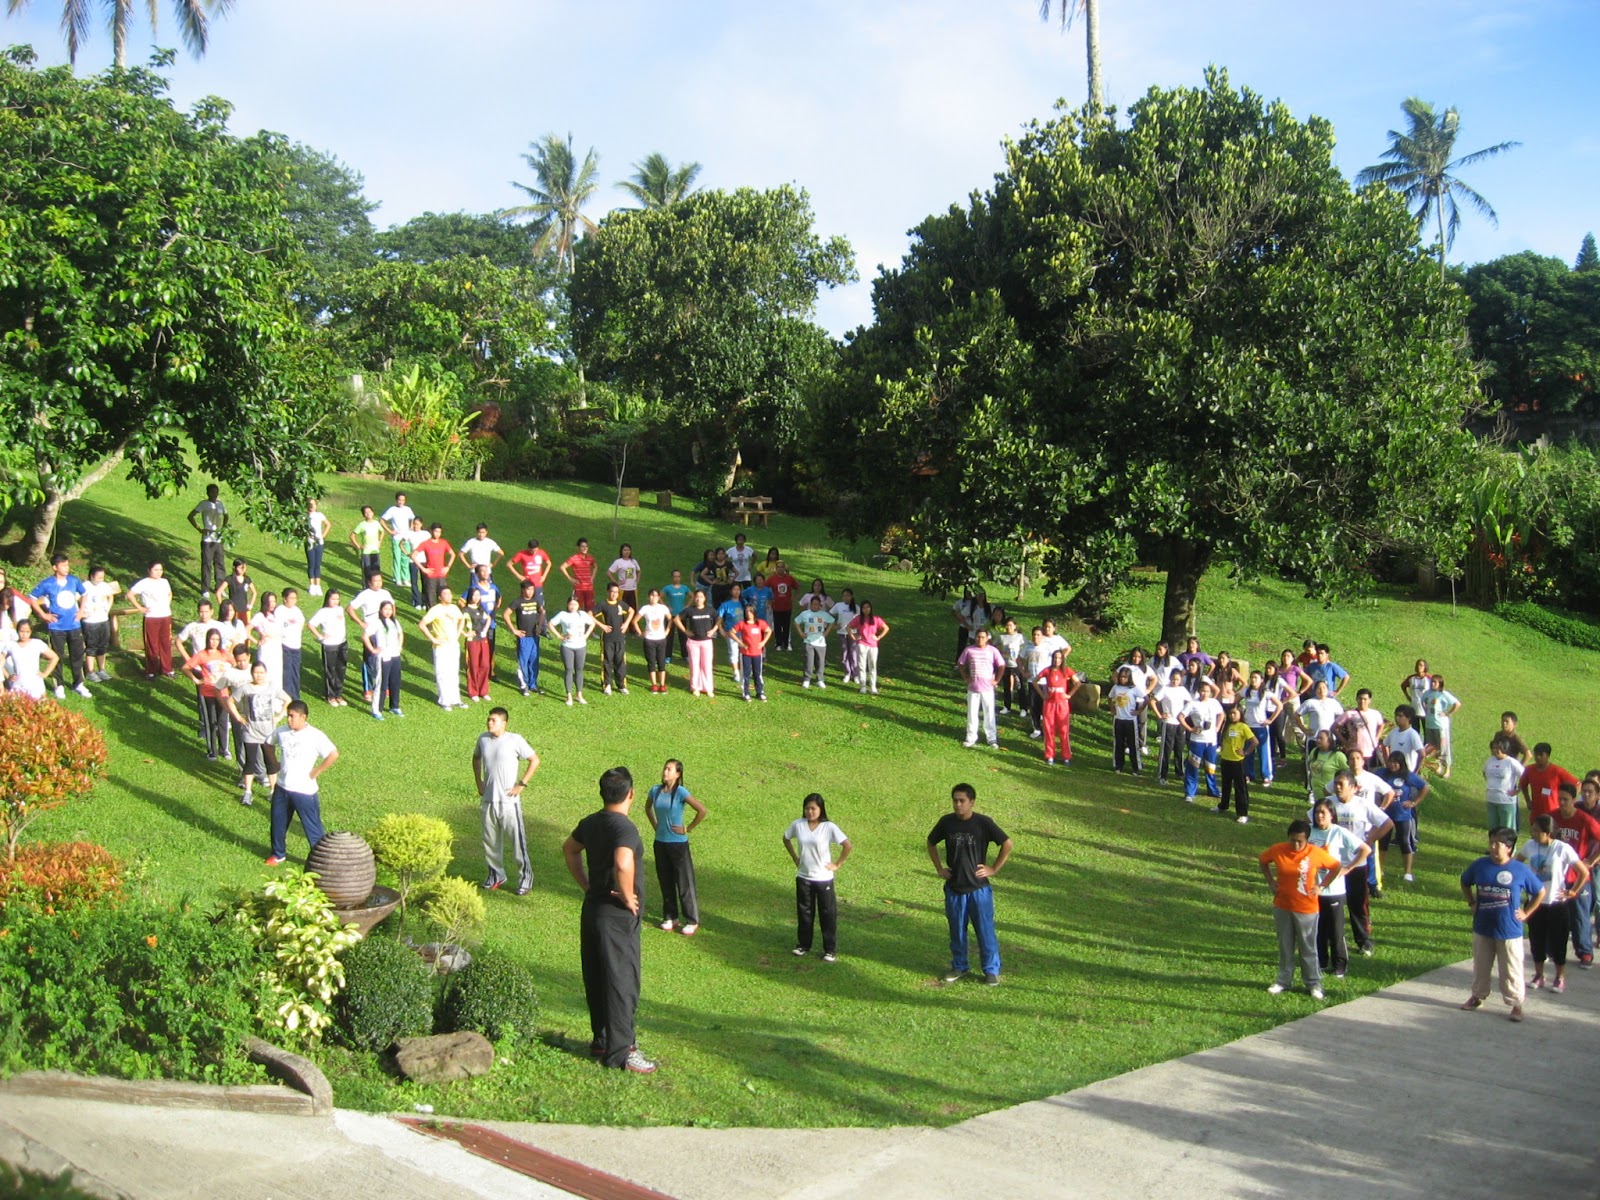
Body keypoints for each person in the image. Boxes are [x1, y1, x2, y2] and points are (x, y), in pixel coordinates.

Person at [562, 766, 655, 1074]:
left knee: (598, 975)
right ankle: (622, 1051)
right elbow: (622, 861)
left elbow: (569, 849)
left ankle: (602, 1040)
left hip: (593, 910)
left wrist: (587, 886)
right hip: (617, 917)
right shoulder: (624, 828)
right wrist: (628, 896)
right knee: (622, 982)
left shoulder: (590, 823)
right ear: (631, 794)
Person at [1459, 827, 1546, 1022]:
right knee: (1481, 965)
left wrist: (1527, 912)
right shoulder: (1480, 865)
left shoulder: (1520, 870)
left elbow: (1539, 892)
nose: (1492, 847)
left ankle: (1516, 1004)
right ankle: (1477, 996)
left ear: (1509, 847)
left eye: (1497, 843)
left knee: (1511, 969)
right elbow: (1465, 882)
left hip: (1509, 929)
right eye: (1491, 842)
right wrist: (1471, 902)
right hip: (1483, 926)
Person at [928, 783, 1012, 985]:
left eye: (962, 801)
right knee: (957, 930)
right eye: (955, 800)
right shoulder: (946, 822)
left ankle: (991, 970)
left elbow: (1007, 844)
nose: (958, 805)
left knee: (985, 930)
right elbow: (931, 842)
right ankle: (959, 966)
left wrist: (993, 869)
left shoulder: (983, 823)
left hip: (979, 889)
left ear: (971, 802)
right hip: (955, 888)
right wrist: (939, 868)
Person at [1258, 819, 1342, 999]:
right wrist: (1271, 881)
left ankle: (1313, 983)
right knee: (1285, 945)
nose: (1296, 844)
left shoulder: (1315, 853)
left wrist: (1322, 886)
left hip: (1307, 908)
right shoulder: (1278, 849)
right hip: (1283, 905)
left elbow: (1335, 867)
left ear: (1307, 840)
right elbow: (1263, 860)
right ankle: (1283, 980)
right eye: (1293, 840)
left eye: (1300, 841)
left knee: (1308, 947)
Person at [1322, 766, 1393, 957]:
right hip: (1332, 864)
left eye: (1341, 784)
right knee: (1330, 903)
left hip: (1356, 864)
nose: (1337, 788)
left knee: (1358, 904)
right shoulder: (1328, 804)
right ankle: (1329, 938)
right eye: (1336, 783)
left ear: (1353, 787)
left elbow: (1387, 823)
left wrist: (1370, 839)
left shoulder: (1363, 805)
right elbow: (1309, 819)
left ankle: (1364, 941)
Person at [1517, 816, 1589, 995]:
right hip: (1535, 902)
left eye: (1536, 831)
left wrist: (1572, 891)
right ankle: (1539, 974)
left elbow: (1583, 872)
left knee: (1558, 941)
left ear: (1547, 833)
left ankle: (1559, 976)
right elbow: (1516, 864)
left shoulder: (1562, 849)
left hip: (1556, 903)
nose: (1533, 834)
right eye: (1532, 830)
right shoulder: (1529, 846)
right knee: (1536, 940)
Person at [474, 707, 539, 895]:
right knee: (490, 842)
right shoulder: (483, 739)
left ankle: (525, 878)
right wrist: (479, 781)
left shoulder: (514, 740)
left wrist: (522, 784)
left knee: (517, 843)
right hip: (488, 801)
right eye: (488, 719)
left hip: (509, 802)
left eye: (493, 720)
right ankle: (496, 875)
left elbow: (534, 760)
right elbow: (476, 758)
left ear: (504, 723)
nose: (489, 723)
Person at [265, 701, 338, 867]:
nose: (289, 720)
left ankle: (322, 861)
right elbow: (267, 743)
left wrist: (317, 771)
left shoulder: (315, 736)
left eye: (292, 716)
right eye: (288, 716)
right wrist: (273, 763)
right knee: (278, 822)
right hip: (282, 787)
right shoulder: (282, 732)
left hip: (304, 791)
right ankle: (278, 854)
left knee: (312, 829)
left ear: (303, 717)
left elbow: (333, 754)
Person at [1309, 798, 1371, 981]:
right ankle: (1320, 961)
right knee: (1317, 929)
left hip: (1334, 890)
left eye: (1323, 813)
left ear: (1331, 815)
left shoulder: (1338, 832)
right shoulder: (1309, 832)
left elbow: (1365, 849)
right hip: (1313, 890)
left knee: (1335, 931)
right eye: (1317, 812)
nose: (1319, 816)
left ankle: (1339, 965)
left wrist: (1348, 868)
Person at [785, 792, 851, 961]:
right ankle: (803, 945)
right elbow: (786, 839)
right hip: (804, 877)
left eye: (813, 808)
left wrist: (837, 864)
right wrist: (795, 857)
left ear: (821, 809)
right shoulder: (798, 825)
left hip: (823, 879)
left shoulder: (829, 827)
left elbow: (847, 845)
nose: (810, 812)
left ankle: (830, 950)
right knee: (804, 912)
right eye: (807, 808)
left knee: (827, 914)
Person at [647, 759, 705, 935]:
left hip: (678, 844)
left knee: (684, 881)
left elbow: (702, 811)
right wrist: (656, 826)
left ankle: (692, 920)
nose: (665, 772)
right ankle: (670, 916)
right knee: (665, 880)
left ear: (677, 774)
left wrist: (687, 828)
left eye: (669, 769)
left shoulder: (680, 792)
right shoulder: (655, 791)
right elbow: (647, 808)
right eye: (665, 768)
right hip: (660, 842)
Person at [222, 660, 290, 807]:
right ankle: (248, 792)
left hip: (268, 732)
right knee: (250, 762)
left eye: (261, 673)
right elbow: (230, 701)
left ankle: (273, 791)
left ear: (265, 674)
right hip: (250, 731)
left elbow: (287, 700)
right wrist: (238, 717)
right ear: (252, 673)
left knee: (270, 762)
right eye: (256, 673)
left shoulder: (272, 687)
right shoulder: (245, 688)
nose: (259, 676)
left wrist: (279, 716)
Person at [28, 553, 90, 698]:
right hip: (57, 627)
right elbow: (32, 598)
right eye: (63, 565)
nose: (67, 568)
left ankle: (78, 683)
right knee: (58, 656)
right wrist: (43, 615)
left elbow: (85, 594)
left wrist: (81, 611)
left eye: (67, 565)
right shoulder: (48, 583)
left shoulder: (74, 581)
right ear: (55, 567)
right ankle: (59, 685)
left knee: (77, 655)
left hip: (74, 625)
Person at [1377, 751, 1429, 882]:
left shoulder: (1408, 776)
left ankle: (1408, 872)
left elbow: (1424, 787)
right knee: (1383, 843)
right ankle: (1380, 869)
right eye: (1390, 761)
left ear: (1401, 763)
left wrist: (1414, 802)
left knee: (1405, 842)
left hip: (1403, 815)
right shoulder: (1382, 773)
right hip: (1385, 815)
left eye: (1395, 762)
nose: (1392, 765)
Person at [182, 629, 232, 759]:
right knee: (210, 721)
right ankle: (212, 751)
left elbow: (235, 665)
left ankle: (224, 749)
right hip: (207, 692)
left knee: (223, 720)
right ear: (207, 640)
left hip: (223, 692)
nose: (214, 642)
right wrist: (196, 680)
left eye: (217, 639)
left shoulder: (224, 654)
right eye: (212, 639)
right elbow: (186, 668)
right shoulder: (202, 654)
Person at [419, 586, 468, 709]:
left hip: (453, 645)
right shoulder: (435, 610)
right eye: (446, 594)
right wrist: (433, 639)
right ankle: (444, 700)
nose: (449, 596)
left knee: (453, 672)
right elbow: (422, 624)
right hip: (441, 646)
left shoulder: (454, 608)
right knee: (442, 673)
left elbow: (461, 619)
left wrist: (458, 633)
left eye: (450, 594)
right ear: (440, 597)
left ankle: (456, 698)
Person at [957, 628, 1006, 749]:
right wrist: (966, 678)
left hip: (988, 688)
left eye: (983, 637)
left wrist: (996, 680)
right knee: (972, 713)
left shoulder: (992, 650)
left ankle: (992, 738)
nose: (980, 639)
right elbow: (960, 664)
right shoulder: (969, 650)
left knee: (989, 713)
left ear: (987, 638)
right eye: (978, 637)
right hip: (973, 688)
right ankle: (971, 737)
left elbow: (1001, 665)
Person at [1033, 648, 1080, 766]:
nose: (1057, 660)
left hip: (1062, 704)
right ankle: (1050, 755)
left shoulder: (1066, 671)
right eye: (1055, 657)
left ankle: (1066, 756)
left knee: (1064, 730)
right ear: (1052, 659)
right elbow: (1035, 681)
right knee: (1049, 730)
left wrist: (1069, 695)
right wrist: (1043, 695)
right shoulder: (1047, 671)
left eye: (1059, 658)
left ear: (1062, 659)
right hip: (1049, 704)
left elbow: (1078, 682)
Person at [1181, 680, 1226, 802]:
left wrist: (1217, 727)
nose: (1204, 694)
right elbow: (1180, 716)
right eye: (1202, 691)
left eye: (1207, 691)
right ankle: (1190, 792)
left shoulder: (1214, 702)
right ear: (1198, 691)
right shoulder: (1192, 703)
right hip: (1197, 740)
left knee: (1210, 767)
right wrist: (1190, 729)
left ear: (1210, 692)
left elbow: (1222, 714)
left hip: (1211, 741)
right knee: (1193, 767)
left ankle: (1213, 790)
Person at [549, 595, 598, 706]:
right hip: (567, 646)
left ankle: (579, 694)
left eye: (575, 604)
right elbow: (550, 624)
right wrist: (560, 636)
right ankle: (569, 695)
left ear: (578, 605)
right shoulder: (563, 615)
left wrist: (586, 635)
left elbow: (592, 623)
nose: (572, 606)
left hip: (581, 646)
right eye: (571, 604)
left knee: (579, 670)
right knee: (569, 670)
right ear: (567, 605)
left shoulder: (582, 615)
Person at [1216, 703, 1258, 824]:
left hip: (1237, 761)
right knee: (1225, 785)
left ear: (1240, 714)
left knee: (1240, 788)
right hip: (1225, 760)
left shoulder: (1243, 727)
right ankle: (1223, 805)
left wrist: (1245, 752)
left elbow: (1255, 742)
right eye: (1230, 713)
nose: (1232, 716)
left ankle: (1242, 813)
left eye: (1234, 713)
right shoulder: (1227, 726)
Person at [306, 591, 349, 707]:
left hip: (342, 643)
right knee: (330, 670)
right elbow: (310, 624)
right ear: (327, 599)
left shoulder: (340, 609)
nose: (335, 601)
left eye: (337, 599)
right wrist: (320, 636)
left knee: (341, 669)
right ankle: (330, 696)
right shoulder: (323, 612)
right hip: (330, 645)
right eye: (333, 599)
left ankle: (338, 694)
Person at [363, 599, 404, 719]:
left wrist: (400, 646)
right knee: (382, 683)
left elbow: (400, 634)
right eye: (385, 609)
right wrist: (372, 649)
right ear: (381, 610)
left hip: (395, 655)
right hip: (383, 656)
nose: (388, 611)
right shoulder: (377, 623)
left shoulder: (394, 622)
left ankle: (394, 706)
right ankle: (377, 709)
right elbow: (365, 636)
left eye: (390, 609)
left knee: (395, 681)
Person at [79, 564, 120, 683]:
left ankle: (101, 669)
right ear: (92, 576)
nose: (101, 580)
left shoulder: (104, 586)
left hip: (103, 619)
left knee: (103, 645)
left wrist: (107, 608)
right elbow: (76, 599)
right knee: (92, 646)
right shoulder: (84, 586)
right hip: (90, 621)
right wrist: (82, 612)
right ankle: (90, 671)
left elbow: (110, 596)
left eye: (102, 577)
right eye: (99, 577)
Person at [504, 581, 547, 697]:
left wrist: (540, 626)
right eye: (528, 590)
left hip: (534, 637)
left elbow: (542, 611)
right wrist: (514, 630)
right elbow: (506, 614)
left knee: (534, 661)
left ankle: (533, 684)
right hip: (524, 637)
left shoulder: (536, 601)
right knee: (523, 662)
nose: (531, 592)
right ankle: (524, 685)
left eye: (532, 590)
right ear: (523, 590)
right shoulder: (517, 602)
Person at [1521, 743, 1580, 825]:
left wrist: (1571, 802)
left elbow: (1577, 784)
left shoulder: (1557, 771)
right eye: (1536, 754)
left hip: (1553, 813)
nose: (1538, 757)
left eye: (1541, 755)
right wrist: (1528, 801)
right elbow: (1523, 785)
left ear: (1548, 756)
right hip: (1536, 813)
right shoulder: (1529, 770)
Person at [1241, 670, 1282, 786]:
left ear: (1261, 680)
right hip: (1248, 726)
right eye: (1252, 677)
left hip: (1260, 726)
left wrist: (1270, 720)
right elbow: (1235, 700)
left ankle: (1267, 775)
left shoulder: (1265, 692)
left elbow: (1279, 705)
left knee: (1263, 751)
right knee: (1248, 751)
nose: (1253, 680)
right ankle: (1248, 774)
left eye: (1256, 678)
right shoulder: (1246, 692)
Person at [676, 589, 719, 697]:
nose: (698, 599)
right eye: (696, 597)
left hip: (706, 642)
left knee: (707, 665)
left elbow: (718, 619)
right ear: (694, 598)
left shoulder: (710, 610)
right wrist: (685, 630)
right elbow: (676, 619)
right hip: (693, 642)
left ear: (704, 598)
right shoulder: (689, 610)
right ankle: (695, 687)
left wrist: (714, 630)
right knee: (694, 665)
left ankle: (708, 688)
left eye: (701, 597)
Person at [188, 483, 230, 595]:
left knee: (220, 563)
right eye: (212, 492)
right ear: (208, 493)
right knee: (207, 564)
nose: (214, 494)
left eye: (216, 492)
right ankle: (205, 589)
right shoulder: (203, 504)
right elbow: (191, 516)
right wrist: (200, 529)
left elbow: (226, 515)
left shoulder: (220, 504)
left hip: (218, 538)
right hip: (207, 539)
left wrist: (224, 528)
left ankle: (220, 587)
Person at [594, 582, 634, 697]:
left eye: (616, 592)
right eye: (612, 592)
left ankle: (621, 685)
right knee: (607, 661)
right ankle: (607, 685)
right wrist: (601, 625)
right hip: (607, 638)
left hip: (620, 638)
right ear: (608, 592)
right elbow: (590, 614)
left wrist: (626, 623)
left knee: (620, 661)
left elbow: (631, 611)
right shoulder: (603, 605)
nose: (614, 594)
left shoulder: (621, 604)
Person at [1151, 668, 1190, 784]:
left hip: (1179, 723)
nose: (1175, 681)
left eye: (1177, 679)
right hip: (1168, 723)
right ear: (1170, 679)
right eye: (1173, 679)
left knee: (1179, 748)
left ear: (1180, 680)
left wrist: (1184, 714)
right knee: (1166, 750)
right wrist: (1160, 714)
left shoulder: (1183, 690)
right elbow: (1153, 701)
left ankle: (1180, 772)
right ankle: (1162, 774)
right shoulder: (1165, 689)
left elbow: (1190, 702)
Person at [3, 620, 59, 700]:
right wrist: (7, 675)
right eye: (21, 631)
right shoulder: (11, 645)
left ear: (31, 631)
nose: (24, 635)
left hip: (35, 683)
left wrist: (45, 674)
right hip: (18, 684)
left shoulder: (37, 644)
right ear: (17, 631)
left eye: (27, 632)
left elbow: (54, 657)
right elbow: (1, 659)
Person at [632, 588, 673, 695]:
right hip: (649, 639)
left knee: (661, 662)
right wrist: (640, 633)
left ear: (659, 597)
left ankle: (662, 684)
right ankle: (654, 684)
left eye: (656, 595)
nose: (653, 597)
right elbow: (635, 621)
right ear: (648, 597)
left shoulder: (663, 608)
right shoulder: (645, 608)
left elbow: (670, 619)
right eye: (651, 595)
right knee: (651, 662)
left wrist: (667, 630)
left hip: (661, 639)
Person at [729, 602, 772, 702]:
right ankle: (746, 692)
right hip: (746, 653)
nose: (749, 613)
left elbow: (769, 631)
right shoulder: (742, 624)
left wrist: (763, 642)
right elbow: (731, 632)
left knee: (758, 673)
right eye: (747, 611)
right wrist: (740, 642)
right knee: (746, 674)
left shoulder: (760, 623)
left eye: (751, 611)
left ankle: (760, 692)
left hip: (757, 653)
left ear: (754, 612)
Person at [1421, 674, 1461, 778]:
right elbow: (1423, 702)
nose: (1433, 684)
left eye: (1435, 682)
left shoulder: (1443, 694)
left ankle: (1447, 768)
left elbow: (1457, 704)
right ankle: (1435, 766)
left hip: (1441, 726)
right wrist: (1426, 711)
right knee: (1431, 747)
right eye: (1432, 682)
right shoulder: (1427, 693)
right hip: (1429, 724)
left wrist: (1447, 713)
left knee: (1443, 748)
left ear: (1440, 683)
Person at [1483, 735, 1526, 832]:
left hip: (1506, 801)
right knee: (1493, 828)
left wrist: (1517, 790)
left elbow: (1524, 776)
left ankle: (1509, 847)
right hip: (1491, 799)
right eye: (1493, 748)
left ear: (1504, 748)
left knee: (1507, 829)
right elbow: (1484, 772)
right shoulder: (1489, 761)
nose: (1495, 750)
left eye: (1498, 748)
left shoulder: (1511, 762)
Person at [1108, 665, 1144, 774]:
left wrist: (1139, 711)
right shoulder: (1116, 688)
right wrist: (1112, 708)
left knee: (1133, 744)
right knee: (1119, 743)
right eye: (1121, 677)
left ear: (1129, 678)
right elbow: (1110, 697)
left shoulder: (1133, 688)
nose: (1123, 679)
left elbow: (1146, 699)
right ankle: (1118, 765)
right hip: (1118, 719)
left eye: (1125, 677)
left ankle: (1136, 767)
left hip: (1130, 720)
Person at [412, 523, 457, 610]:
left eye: (439, 532)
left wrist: (448, 567)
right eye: (436, 531)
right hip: (430, 576)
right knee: (430, 599)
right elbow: (413, 555)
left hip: (441, 575)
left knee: (443, 598)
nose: (437, 534)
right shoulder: (425, 543)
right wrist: (423, 569)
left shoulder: (443, 543)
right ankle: (430, 621)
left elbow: (453, 554)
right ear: (431, 531)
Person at [794, 594, 834, 689]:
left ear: (820, 605)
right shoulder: (805, 614)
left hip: (820, 642)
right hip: (808, 642)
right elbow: (796, 622)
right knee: (809, 661)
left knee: (820, 662)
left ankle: (820, 679)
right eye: (813, 604)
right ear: (810, 605)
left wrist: (826, 632)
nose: (815, 606)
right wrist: (801, 633)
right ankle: (807, 679)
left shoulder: (824, 614)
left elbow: (832, 621)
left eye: (817, 604)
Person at [464, 583, 495, 703]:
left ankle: (484, 691)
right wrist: (465, 633)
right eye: (474, 595)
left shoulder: (481, 608)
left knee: (485, 665)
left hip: (483, 640)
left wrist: (486, 630)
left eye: (478, 595)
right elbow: (458, 623)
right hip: (473, 641)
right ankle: (473, 692)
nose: (476, 597)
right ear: (470, 596)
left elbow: (489, 619)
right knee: (473, 665)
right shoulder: (465, 610)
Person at [380, 492, 417, 594]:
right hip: (397, 537)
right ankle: (397, 578)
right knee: (397, 558)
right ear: (396, 500)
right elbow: (382, 520)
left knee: (406, 557)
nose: (401, 502)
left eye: (403, 500)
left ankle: (405, 578)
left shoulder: (408, 509)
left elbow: (412, 518)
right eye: (399, 500)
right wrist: (390, 531)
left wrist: (411, 527)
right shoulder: (392, 510)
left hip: (406, 538)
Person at [249, 592, 284, 694]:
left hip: (277, 649)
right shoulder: (259, 616)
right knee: (266, 674)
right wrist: (256, 641)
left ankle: (277, 699)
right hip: (266, 650)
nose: (272, 604)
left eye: (274, 601)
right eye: (270, 601)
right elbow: (247, 630)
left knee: (277, 674)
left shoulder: (277, 615)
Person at [277, 588, 306, 701]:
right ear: (284, 599)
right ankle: (287, 697)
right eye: (291, 598)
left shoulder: (297, 610)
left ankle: (295, 696)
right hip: (285, 646)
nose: (294, 601)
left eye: (295, 598)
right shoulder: (280, 611)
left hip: (296, 646)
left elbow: (302, 622)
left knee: (295, 672)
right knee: (287, 672)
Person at [716, 582, 747, 687]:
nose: (737, 591)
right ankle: (736, 672)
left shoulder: (744, 603)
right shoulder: (725, 605)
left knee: (744, 651)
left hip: (744, 632)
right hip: (731, 632)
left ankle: (744, 670)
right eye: (734, 589)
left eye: (738, 589)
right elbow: (719, 618)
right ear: (730, 591)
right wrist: (721, 629)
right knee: (733, 652)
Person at [509, 539, 553, 608]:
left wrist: (544, 576)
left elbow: (549, 563)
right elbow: (509, 564)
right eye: (532, 550)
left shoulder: (541, 553)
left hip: (538, 584)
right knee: (526, 604)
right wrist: (519, 576)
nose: (534, 552)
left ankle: (541, 618)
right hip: (527, 584)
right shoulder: (521, 554)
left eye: (536, 550)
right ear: (528, 548)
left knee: (540, 604)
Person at [829, 589, 860, 686]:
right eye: (844, 596)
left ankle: (855, 674)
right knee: (844, 654)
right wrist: (834, 626)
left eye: (848, 595)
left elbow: (860, 621)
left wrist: (858, 633)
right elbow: (829, 614)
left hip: (853, 634)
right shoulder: (838, 605)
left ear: (851, 596)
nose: (846, 597)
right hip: (841, 633)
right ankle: (847, 673)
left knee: (853, 654)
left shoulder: (856, 607)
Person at [661, 569, 691, 664]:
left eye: (678, 576)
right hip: (671, 616)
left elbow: (692, 596)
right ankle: (668, 655)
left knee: (683, 635)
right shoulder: (668, 588)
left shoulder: (684, 588)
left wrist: (687, 606)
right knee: (669, 636)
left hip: (681, 616)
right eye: (675, 576)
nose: (677, 578)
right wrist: (666, 606)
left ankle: (685, 655)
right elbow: (659, 597)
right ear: (672, 578)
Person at [767, 560, 798, 652]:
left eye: (782, 567)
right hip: (776, 606)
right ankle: (778, 643)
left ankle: (787, 643)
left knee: (786, 625)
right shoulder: (772, 579)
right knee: (777, 625)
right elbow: (765, 587)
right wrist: (769, 599)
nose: (780, 569)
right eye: (778, 567)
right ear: (776, 569)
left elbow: (797, 587)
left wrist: (794, 598)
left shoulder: (789, 578)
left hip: (787, 606)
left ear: (785, 568)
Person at [304, 498, 332, 597]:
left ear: (316, 505)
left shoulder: (319, 515)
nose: (312, 506)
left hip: (319, 542)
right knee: (311, 564)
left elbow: (328, 524)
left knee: (318, 564)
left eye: (313, 504)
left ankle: (318, 585)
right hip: (310, 542)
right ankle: (311, 585)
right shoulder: (305, 516)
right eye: (309, 504)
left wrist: (323, 536)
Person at [349, 506, 385, 583]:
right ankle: (366, 588)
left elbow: (382, 531)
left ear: (373, 512)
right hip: (366, 553)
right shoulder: (362, 525)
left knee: (376, 572)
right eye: (366, 512)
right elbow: (352, 536)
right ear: (364, 515)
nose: (368, 513)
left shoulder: (376, 523)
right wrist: (358, 546)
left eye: (370, 511)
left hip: (375, 551)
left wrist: (380, 541)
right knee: (367, 572)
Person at [561, 537, 598, 610]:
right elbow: (562, 567)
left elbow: (595, 566)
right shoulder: (574, 558)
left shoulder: (590, 558)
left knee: (590, 608)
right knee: (578, 608)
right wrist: (570, 578)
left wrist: (592, 577)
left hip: (589, 587)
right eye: (583, 546)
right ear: (579, 547)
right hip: (579, 588)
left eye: (586, 546)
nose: (585, 548)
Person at [217, 558, 257, 624]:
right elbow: (218, 593)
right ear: (234, 568)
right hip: (233, 611)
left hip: (244, 611)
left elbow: (254, 592)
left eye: (244, 567)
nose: (243, 569)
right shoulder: (230, 579)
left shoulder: (247, 579)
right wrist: (223, 607)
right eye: (240, 567)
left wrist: (251, 605)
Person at [607, 544, 643, 611]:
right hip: (622, 589)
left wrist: (637, 580)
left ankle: (632, 621)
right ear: (621, 551)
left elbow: (639, 571)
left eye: (628, 550)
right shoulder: (618, 562)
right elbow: (609, 573)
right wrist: (615, 583)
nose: (627, 552)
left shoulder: (633, 561)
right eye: (625, 550)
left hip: (633, 589)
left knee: (633, 608)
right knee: (621, 609)